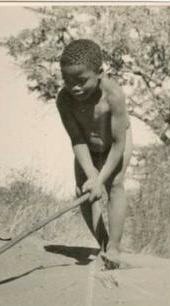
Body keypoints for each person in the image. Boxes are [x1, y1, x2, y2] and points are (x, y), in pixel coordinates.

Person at [56, 39, 133, 269]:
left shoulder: (114, 96)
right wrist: (92, 176)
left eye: (81, 81)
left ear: (100, 73)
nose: (74, 88)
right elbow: (77, 139)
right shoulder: (63, 100)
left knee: (115, 183)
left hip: (116, 145)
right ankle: (103, 244)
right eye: (67, 81)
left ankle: (115, 248)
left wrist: (101, 179)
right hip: (86, 147)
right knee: (83, 190)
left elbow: (119, 144)